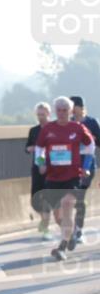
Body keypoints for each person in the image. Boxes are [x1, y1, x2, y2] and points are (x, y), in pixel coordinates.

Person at [34, 96, 96, 261]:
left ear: (71, 111)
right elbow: (39, 148)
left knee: (67, 204)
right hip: (53, 176)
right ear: (55, 111)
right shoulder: (48, 129)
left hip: (72, 175)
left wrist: (86, 166)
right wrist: (41, 163)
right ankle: (72, 232)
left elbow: (90, 146)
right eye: (59, 110)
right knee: (58, 216)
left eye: (65, 111)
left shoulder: (77, 128)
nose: (62, 114)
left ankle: (62, 247)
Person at [70, 95, 100, 243]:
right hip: (69, 166)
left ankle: (78, 230)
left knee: (79, 198)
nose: (69, 111)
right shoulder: (67, 124)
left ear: (79, 107)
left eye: (71, 107)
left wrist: (90, 138)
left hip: (87, 165)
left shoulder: (92, 122)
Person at [25, 102, 53, 239]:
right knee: (36, 198)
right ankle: (44, 220)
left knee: (47, 197)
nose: (40, 117)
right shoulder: (34, 130)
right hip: (37, 168)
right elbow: (28, 147)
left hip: (52, 168)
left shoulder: (54, 129)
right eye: (38, 115)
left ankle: (46, 228)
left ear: (49, 114)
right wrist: (32, 148)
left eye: (43, 114)